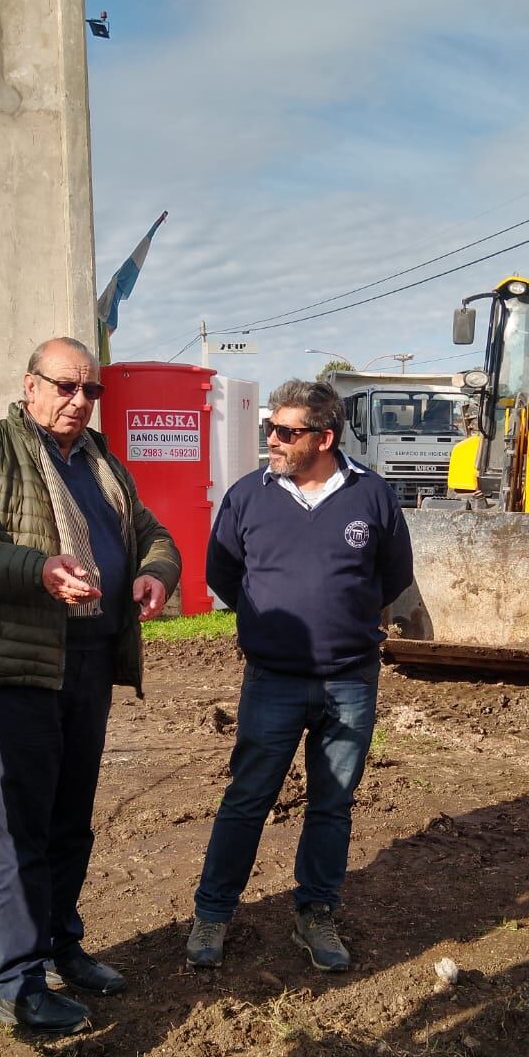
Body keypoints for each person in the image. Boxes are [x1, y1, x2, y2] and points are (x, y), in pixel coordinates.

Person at [0, 338, 180, 1035]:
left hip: (91, 664)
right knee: (23, 829)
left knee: (72, 820)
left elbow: (153, 534)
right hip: (22, 668)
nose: (78, 402)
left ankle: (62, 946)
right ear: (30, 385)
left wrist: (155, 572)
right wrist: (37, 569)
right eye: (64, 387)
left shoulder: (102, 462)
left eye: (89, 391)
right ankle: (17, 983)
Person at [187, 379, 414, 972]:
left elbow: (391, 578)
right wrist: (274, 627)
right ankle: (213, 912)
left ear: (325, 436)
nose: (273, 440)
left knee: (333, 803)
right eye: (270, 427)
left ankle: (316, 912)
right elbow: (224, 574)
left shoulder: (372, 496)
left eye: (287, 432)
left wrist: (339, 621)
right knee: (247, 798)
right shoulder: (248, 497)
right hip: (274, 681)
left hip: (350, 681)